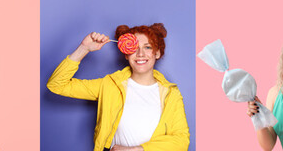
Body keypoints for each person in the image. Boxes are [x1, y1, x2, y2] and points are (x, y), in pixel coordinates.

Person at [48, 23, 189, 151]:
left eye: (147, 47)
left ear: (157, 53)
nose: (140, 54)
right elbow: (56, 85)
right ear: (126, 53)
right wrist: (83, 48)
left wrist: (136, 150)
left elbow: (181, 140)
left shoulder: (171, 93)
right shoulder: (109, 85)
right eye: (134, 48)